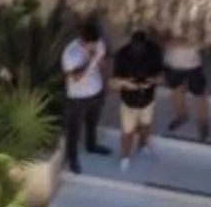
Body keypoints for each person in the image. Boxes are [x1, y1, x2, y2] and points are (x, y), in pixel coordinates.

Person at [59, 17, 110, 172]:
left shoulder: (99, 43)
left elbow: (102, 63)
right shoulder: (70, 53)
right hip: (77, 97)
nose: (94, 45)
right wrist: (89, 59)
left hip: (96, 91)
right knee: (74, 130)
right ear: (82, 37)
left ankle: (91, 146)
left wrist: (105, 84)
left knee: (92, 123)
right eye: (91, 42)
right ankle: (72, 158)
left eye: (95, 41)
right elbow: (75, 77)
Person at [114, 27, 166, 161]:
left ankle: (143, 145)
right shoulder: (122, 54)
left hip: (148, 98)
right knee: (127, 131)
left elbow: (161, 76)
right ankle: (125, 157)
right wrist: (128, 83)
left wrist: (151, 80)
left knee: (146, 125)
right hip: (128, 100)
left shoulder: (154, 51)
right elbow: (115, 81)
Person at [160, 37, 210, 140]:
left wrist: (181, 42)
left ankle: (203, 123)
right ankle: (181, 116)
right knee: (176, 91)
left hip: (193, 66)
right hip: (171, 65)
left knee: (199, 94)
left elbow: (205, 42)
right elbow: (161, 40)